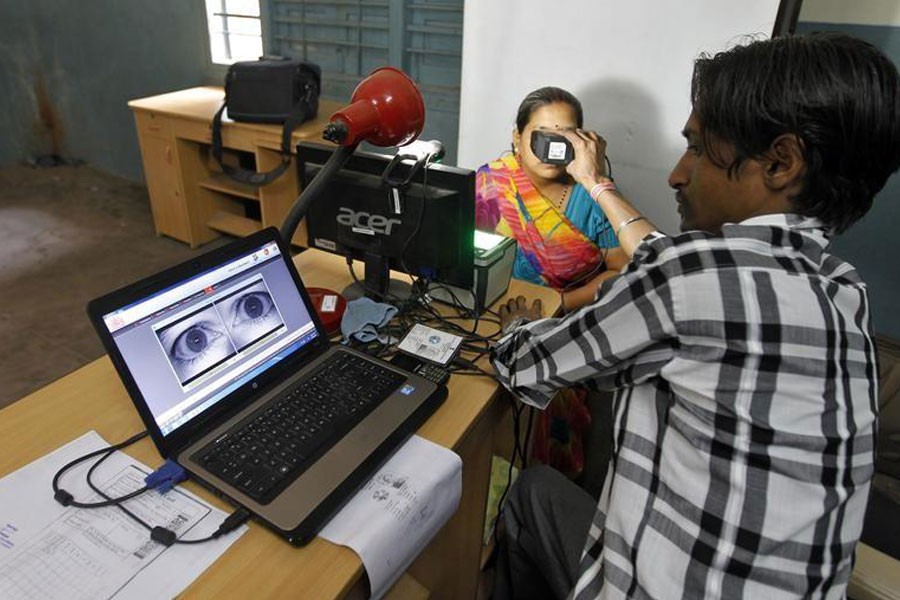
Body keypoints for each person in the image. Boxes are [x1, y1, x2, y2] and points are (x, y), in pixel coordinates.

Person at [490, 32, 900, 600]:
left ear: (780, 162)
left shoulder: (692, 276)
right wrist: (596, 178)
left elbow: (524, 362)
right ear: (517, 137)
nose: (676, 175)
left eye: (699, 149)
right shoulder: (843, 289)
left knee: (531, 492)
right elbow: (660, 257)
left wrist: (514, 323)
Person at [475, 87, 629, 312]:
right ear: (518, 137)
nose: (550, 148)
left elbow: (621, 271)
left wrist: (559, 306)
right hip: (492, 309)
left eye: (563, 137)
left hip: (571, 317)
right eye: (541, 135)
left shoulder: (593, 194)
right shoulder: (491, 182)